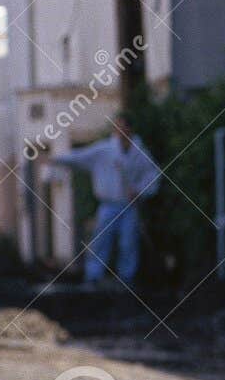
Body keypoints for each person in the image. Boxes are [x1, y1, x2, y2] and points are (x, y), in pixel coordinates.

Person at [51, 112, 160, 286]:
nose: (120, 131)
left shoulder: (140, 153)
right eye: (117, 128)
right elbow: (80, 157)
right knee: (101, 241)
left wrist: (140, 190)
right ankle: (93, 277)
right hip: (108, 205)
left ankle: (127, 279)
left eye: (123, 127)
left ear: (130, 129)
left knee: (128, 243)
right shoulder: (104, 150)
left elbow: (153, 175)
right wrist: (56, 159)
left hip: (129, 205)